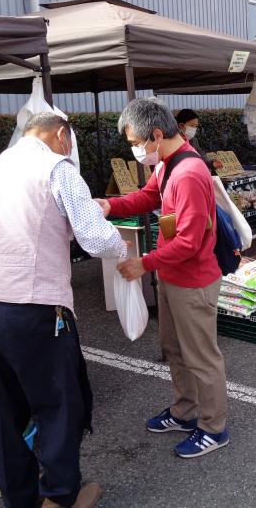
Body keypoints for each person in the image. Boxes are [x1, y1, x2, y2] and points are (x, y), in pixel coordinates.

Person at [0, 113, 128, 508]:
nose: (69, 149)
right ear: (61, 135)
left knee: (2, 409)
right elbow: (94, 238)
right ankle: (59, 496)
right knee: (57, 403)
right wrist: (122, 254)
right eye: (69, 143)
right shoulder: (57, 168)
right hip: (33, 303)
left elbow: (24, 223)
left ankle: (20, 499)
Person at [96, 97, 230, 458]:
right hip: (173, 276)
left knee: (202, 357)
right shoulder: (169, 164)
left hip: (193, 280)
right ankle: (185, 412)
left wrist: (145, 263)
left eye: (136, 143)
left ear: (155, 134)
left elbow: (188, 241)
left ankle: (214, 428)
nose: (136, 150)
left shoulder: (188, 172)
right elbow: (147, 196)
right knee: (174, 349)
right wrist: (110, 205)